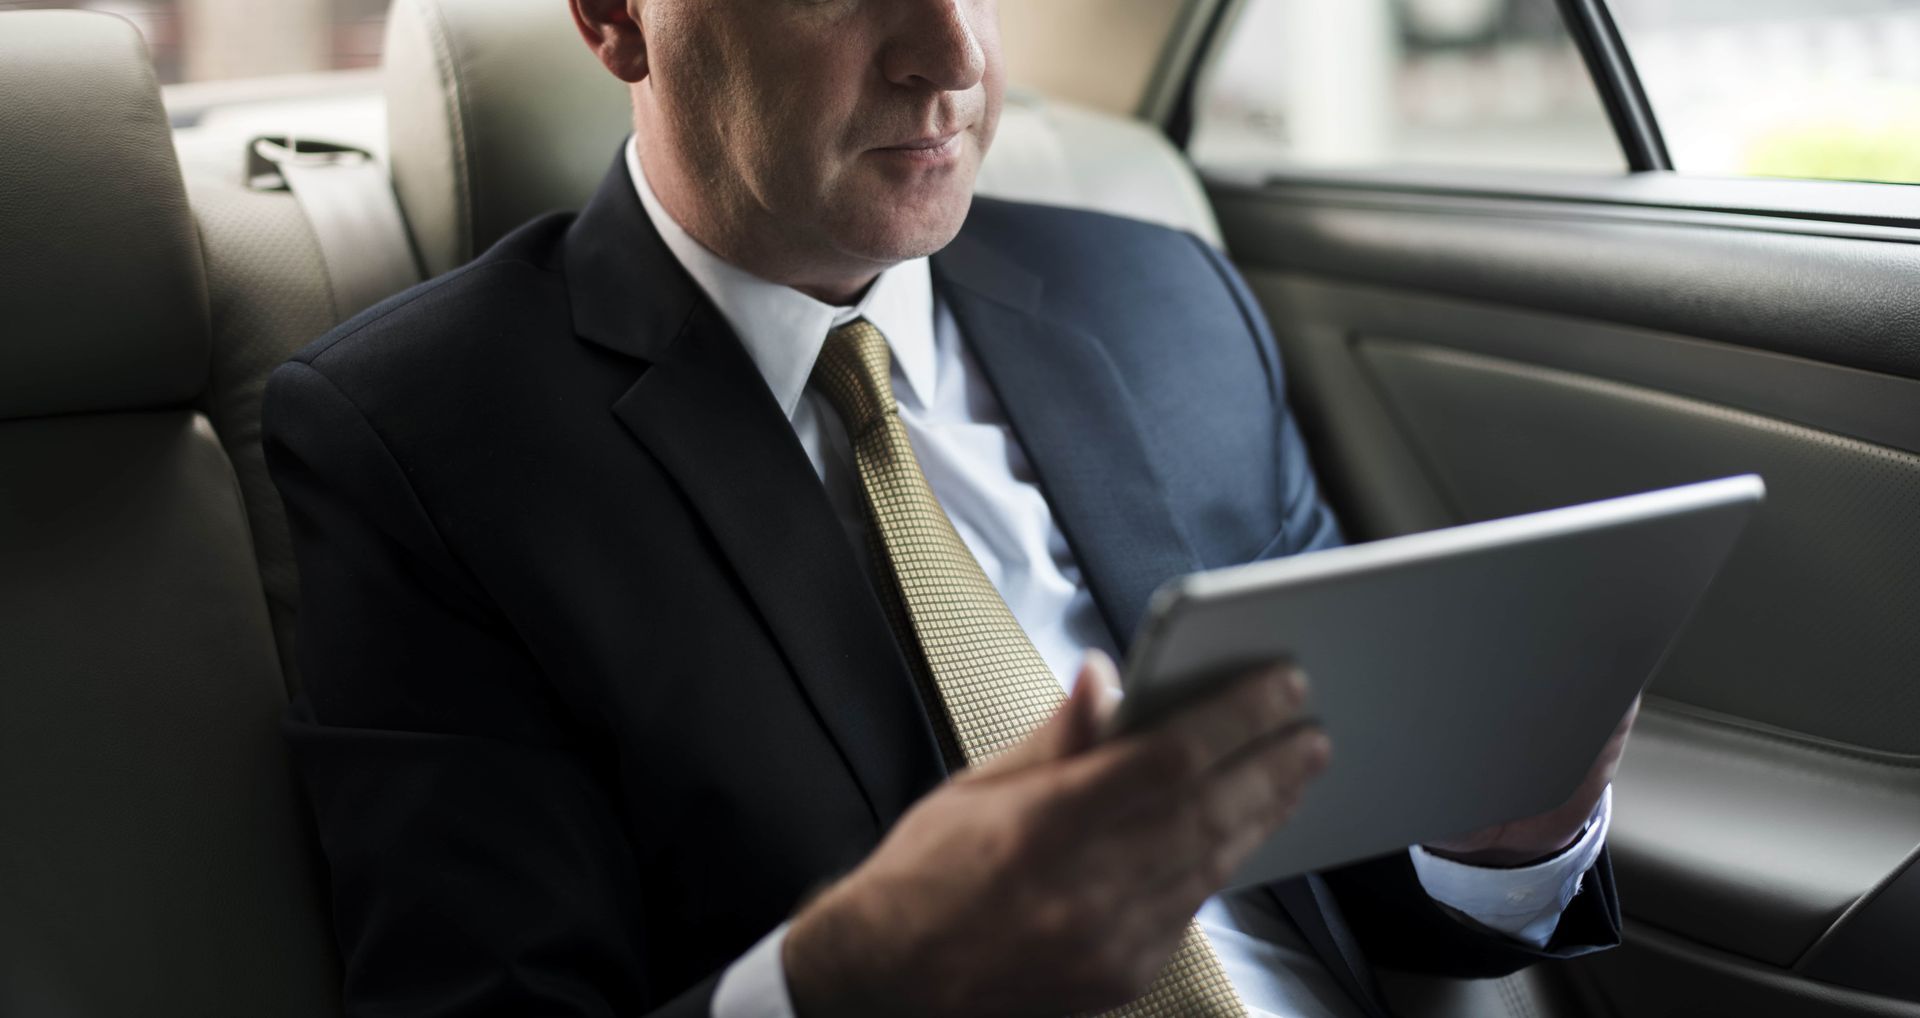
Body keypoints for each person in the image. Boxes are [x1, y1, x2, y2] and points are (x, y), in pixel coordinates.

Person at [262, 1, 1630, 1014]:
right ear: (619, 17)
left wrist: (1501, 835)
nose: (953, 53)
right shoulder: (417, 447)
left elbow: (1355, 858)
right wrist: (854, 975)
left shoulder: (1169, 304)